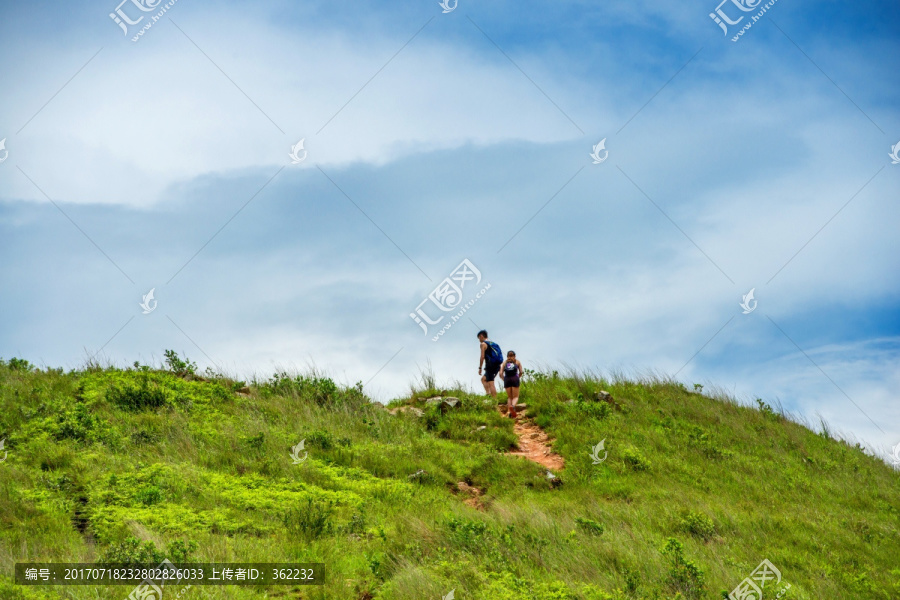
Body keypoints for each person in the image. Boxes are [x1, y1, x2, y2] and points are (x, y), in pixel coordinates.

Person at [477, 330, 502, 398]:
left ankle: (494, 400)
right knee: (483, 379)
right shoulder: (493, 344)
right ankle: (488, 394)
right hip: (497, 365)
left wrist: (480, 368)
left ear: (481, 336)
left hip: (490, 366)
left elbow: (482, 357)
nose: (479, 340)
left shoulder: (483, 344)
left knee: (491, 383)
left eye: (479, 338)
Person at [501, 350, 523, 418]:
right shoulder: (517, 362)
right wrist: (518, 377)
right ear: (514, 356)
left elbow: (500, 373)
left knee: (510, 397)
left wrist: (504, 379)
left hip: (507, 379)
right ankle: (513, 407)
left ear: (507, 356)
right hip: (515, 378)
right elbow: (521, 372)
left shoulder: (505, 362)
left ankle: (509, 412)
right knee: (515, 397)